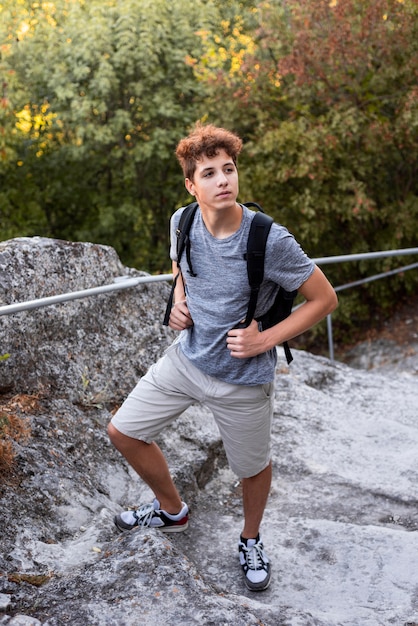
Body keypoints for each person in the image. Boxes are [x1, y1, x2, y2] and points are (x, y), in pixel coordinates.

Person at [108, 123, 338, 592]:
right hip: (186, 360)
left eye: (228, 170)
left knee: (251, 467)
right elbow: (180, 267)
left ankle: (250, 538)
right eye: (209, 173)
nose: (222, 181)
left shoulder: (269, 239)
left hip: (243, 378)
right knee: (123, 432)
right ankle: (172, 511)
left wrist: (264, 340)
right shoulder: (182, 220)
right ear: (192, 186)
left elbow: (325, 299)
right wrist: (177, 300)